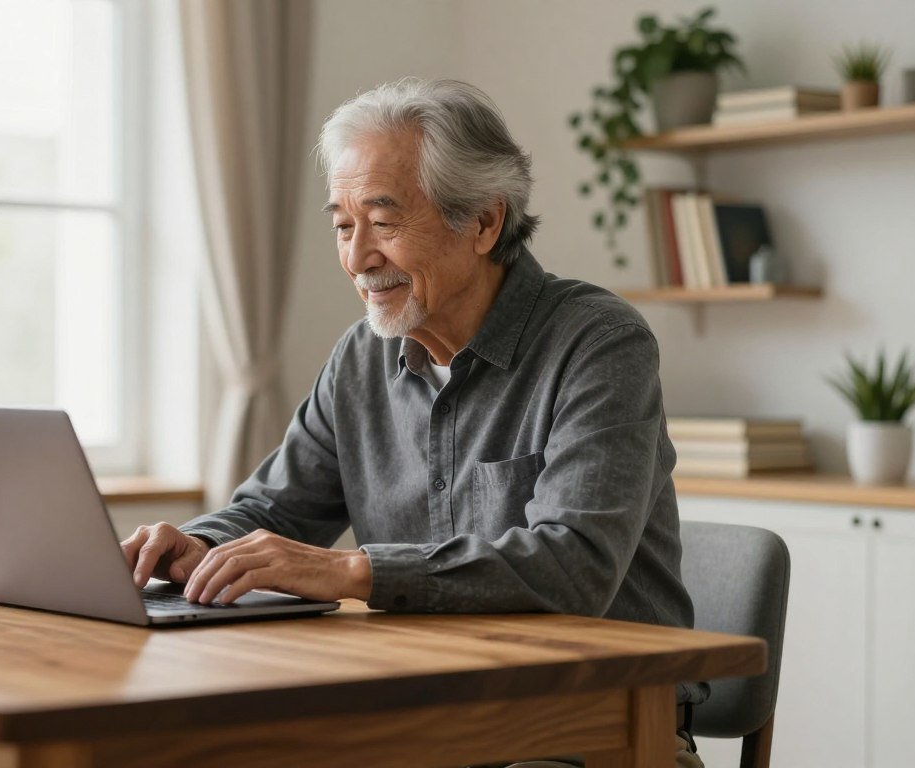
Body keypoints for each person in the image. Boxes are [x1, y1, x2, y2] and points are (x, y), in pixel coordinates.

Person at [120, 78, 705, 768]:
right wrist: (192, 546)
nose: (358, 258)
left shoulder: (598, 342)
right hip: (428, 715)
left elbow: (574, 567)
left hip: (595, 727)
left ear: (485, 222)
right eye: (343, 224)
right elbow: (272, 511)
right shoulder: (361, 358)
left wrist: (349, 570)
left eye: (385, 221)